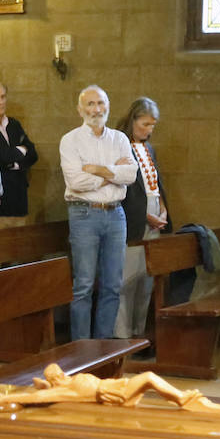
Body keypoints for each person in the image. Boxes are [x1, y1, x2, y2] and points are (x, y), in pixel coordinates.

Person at [60, 85, 136, 340]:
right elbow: (76, 182)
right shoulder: (70, 140)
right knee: (83, 285)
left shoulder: (120, 139)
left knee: (112, 285)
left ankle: (102, 349)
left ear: (108, 106)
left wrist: (98, 169)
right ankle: (81, 350)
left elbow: (131, 175)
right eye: (90, 104)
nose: (96, 109)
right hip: (84, 215)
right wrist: (113, 173)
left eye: (100, 103)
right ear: (80, 109)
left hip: (116, 215)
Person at [115, 97, 171, 340]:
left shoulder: (149, 148)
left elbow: (155, 183)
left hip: (154, 215)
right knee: (127, 279)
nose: (149, 130)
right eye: (145, 124)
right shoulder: (120, 145)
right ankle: (122, 336)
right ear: (133, 119)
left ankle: (139, 334)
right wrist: (146, 215)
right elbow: (122, 191)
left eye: (153, 125)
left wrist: (163, 209)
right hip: (133, 217)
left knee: (146, 280)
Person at [0, 362, 220, 413]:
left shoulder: (68, 382)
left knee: (147, 378)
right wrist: (2, 400)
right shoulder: (64, 391)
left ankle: (185, 399)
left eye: (59, 371)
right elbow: (36, 398)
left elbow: (44, 389)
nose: (60, 375)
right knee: (148, 376)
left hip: (115, 386)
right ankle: (184, 399)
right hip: (112, 393)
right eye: (56, 375)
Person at [0, 81, 38, 226]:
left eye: (3, 97)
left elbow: (33, 154)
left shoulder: (14, 124)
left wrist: (16, 163)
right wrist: (21, 150)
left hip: (18, 197)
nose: (0, 102)